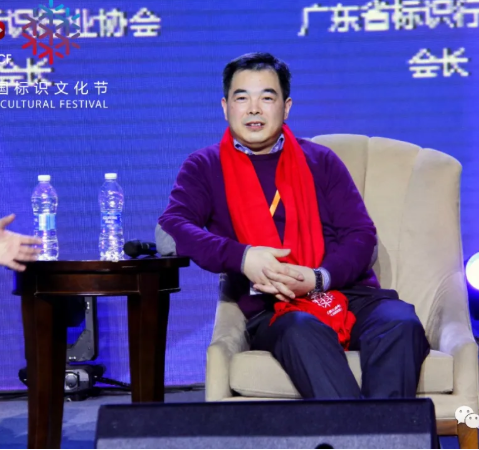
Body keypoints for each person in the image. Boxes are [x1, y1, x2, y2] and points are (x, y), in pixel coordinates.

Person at [158, 52, 430, 399]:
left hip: (346, 292)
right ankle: (367, 429)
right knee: (302, 329)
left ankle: (380, 430)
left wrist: (318, 278)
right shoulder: (204, 166)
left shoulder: (321, 160)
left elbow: (361, 236)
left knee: (400, 322)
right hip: (274, 307)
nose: (253, 110)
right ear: (225, 107)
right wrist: (243, 257)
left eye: (266, 98)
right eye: (242, 98)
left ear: (286, 107)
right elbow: (171, 229)